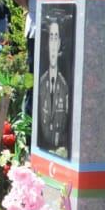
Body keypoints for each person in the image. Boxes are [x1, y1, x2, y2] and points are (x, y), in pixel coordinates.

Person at [36, 16, 71, 156]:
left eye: (56, 38)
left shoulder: (65, 86)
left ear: (59, 43)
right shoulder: (42, 82)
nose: (53, 43)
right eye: (51, 37)